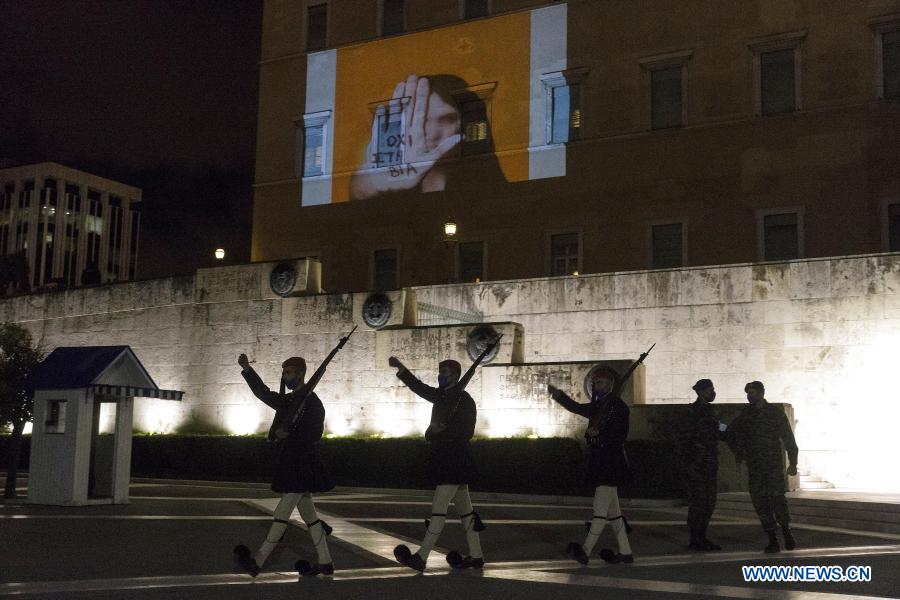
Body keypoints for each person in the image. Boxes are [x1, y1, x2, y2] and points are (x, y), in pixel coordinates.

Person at [232, 353, 335, 577]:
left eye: (289, 373)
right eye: (284, 373)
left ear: (301, 374)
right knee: (310, 518)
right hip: (292, 464)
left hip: (302, 465)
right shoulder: (289, 401)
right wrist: (248, 370)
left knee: (282, 512)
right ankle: (325, 562)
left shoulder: (312, 402)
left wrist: (286, 434)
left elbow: (314, 434)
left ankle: (258, 561)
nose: (286, 377)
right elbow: (263, 394)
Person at [388, 355, 485, 572]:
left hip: (456, 460)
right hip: (446, 460)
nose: (441, 376)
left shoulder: (464, 400)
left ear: (456, 376)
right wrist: (401, 368)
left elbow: (467, 431)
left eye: (445, 373)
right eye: (440, 372)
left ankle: (422, 556)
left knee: (438, 510)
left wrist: (444, 431)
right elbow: (419, 387)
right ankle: (476, 555)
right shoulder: (441, 396)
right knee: (467, 513)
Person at [349, 74, 507, 201]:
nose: (432, 133)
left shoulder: (487, 186)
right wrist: (372, 182)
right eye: (422, 121)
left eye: (446, 119)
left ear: (465, 124)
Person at [549, 367, 634, 565]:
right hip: (601, 462)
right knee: (614, 514)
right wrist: (559, 395)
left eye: (601, 383)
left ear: (610, 385)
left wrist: (599, 435)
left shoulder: (619, 407)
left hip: (610, 463)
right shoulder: (599, 406)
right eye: (596, 383)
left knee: (599, 511)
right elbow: (577, 407)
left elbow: (620, 435)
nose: (597, 386)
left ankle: (586, 550)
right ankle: (626, 552)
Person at [727, 381, 799, 553]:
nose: (749, 396)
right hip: (756, 466)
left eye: (752, 392)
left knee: (777, 499)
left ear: (761, 393)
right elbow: (731, 433)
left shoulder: (775, 414)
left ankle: (786, 532)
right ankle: (772, 539)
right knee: (760, 502)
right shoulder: (745, 415)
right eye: (748, 393)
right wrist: (739, 453)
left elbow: (788, 438)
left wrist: (793, 462)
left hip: (772, 465)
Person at [677, 379, 727, 551]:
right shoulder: (692, 412)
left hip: (710, 464)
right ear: (701, 391)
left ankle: (702, 537)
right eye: (710, 390)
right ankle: (695, 539)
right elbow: (684, 440)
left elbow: (720, 431)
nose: (713, 392)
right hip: (696, 465)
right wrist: (689, 464)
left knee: (709, 503)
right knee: (698, 503)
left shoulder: (712, 412)